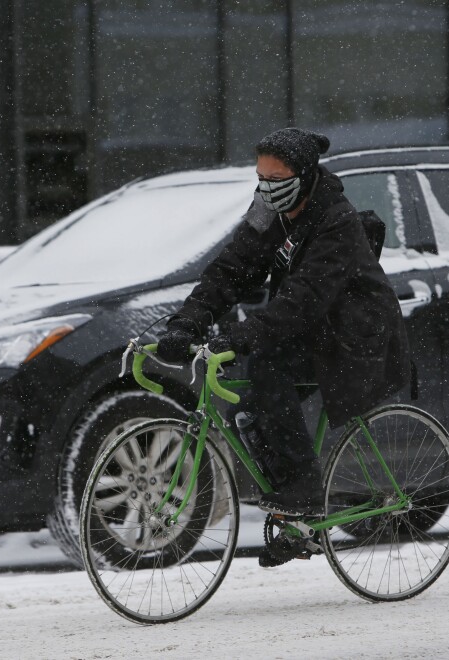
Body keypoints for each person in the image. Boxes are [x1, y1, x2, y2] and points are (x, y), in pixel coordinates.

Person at [157, 127, 410, 520]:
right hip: (313, 326)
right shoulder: (268, 209)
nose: (267, 189)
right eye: (261, 179)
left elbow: (304, 298)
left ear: (306, 176)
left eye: (276, 180)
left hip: (355, 333)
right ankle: (292, 519)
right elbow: (233, 267)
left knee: (268, 369)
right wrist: (187, 322)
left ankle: (306, 492)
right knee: (246, 406)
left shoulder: (336, 220)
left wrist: (243, 334)